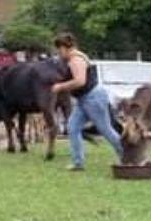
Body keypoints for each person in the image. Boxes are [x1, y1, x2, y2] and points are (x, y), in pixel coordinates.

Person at [50, 32, 123, 171]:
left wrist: (61, 87)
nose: (58, 54)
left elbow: (80, 81)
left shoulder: (76, 60)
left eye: (59, 50)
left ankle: (127, 157)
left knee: (105, 129)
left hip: (92, 98)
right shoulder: (75, 57)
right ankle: (78, 163)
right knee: (72, 127)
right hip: (84, 99)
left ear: (64, 48)